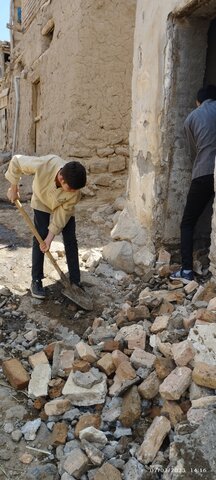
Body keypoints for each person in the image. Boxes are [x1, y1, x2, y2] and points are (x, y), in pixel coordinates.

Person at [5, 154, 86, 299]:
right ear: (61, 179)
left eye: (75, 190)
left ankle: (75, 282)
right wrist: (14, 187)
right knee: (39, 236)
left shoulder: (74, 192)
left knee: (70, 239)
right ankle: (36, 280)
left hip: (62, 205)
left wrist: (50, 238)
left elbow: (61, 217)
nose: (74, 192)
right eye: (72, 189)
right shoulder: (45, 164)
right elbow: (16, 161)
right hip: (41, 200)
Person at [170, 84, 216, 284]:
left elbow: (193, 151)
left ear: (198, 101)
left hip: (203, 173)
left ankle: (187, 270)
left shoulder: (192, 117)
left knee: (188, 222)